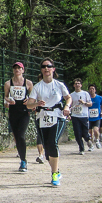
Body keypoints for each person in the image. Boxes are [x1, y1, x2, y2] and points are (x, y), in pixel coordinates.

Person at [26, 58, 71, 187]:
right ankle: (56, 170)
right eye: (44, 66)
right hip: (42, 116)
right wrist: (36, 103)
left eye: (49, 66)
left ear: (53, 69)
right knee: (47, 147)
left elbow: (68, 98)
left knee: (53, 142)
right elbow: (29, 105)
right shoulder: (38, 86)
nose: (46, 68)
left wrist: (67, 107)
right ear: (41, 70)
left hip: (57, 116)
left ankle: (54, 174)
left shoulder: (59, 85)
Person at [4, 62, 34, 172]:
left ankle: (24, 161)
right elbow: (5, 98)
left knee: (21, 135)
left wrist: (29, 100)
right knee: (17, 137)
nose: (17, 70)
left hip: (24, 112)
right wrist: (7, 102)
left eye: (19, 68)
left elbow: (33, 97)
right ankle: (22, 158)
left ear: (23, 70)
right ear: (13, 70)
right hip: (13, 112)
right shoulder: (8, 83)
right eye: (15, 68)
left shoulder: (28, 83)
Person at [69, 78, 93, 155]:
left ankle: (88, 141)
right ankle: (81, 149)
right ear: (73, 85)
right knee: (77, 133)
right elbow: (69, 105)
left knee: (85, 133)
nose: (77, 85)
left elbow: (90, 104)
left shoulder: (85, 94)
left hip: (84, 116)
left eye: (78, 83)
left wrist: (84, 102)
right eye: (76, 83)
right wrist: (69, 113)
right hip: (75, 116)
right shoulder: (71, 95)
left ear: (81, 85)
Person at [88, 84, 102, 149]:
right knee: (90, 132)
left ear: (95, 90)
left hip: (97, 117)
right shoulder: (87, 97)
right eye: (90, 89)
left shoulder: (99, 97)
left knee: (95, 130)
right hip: (89, 117)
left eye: (93, 89)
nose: (91, 90)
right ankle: (91, 146)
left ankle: (97, 140)